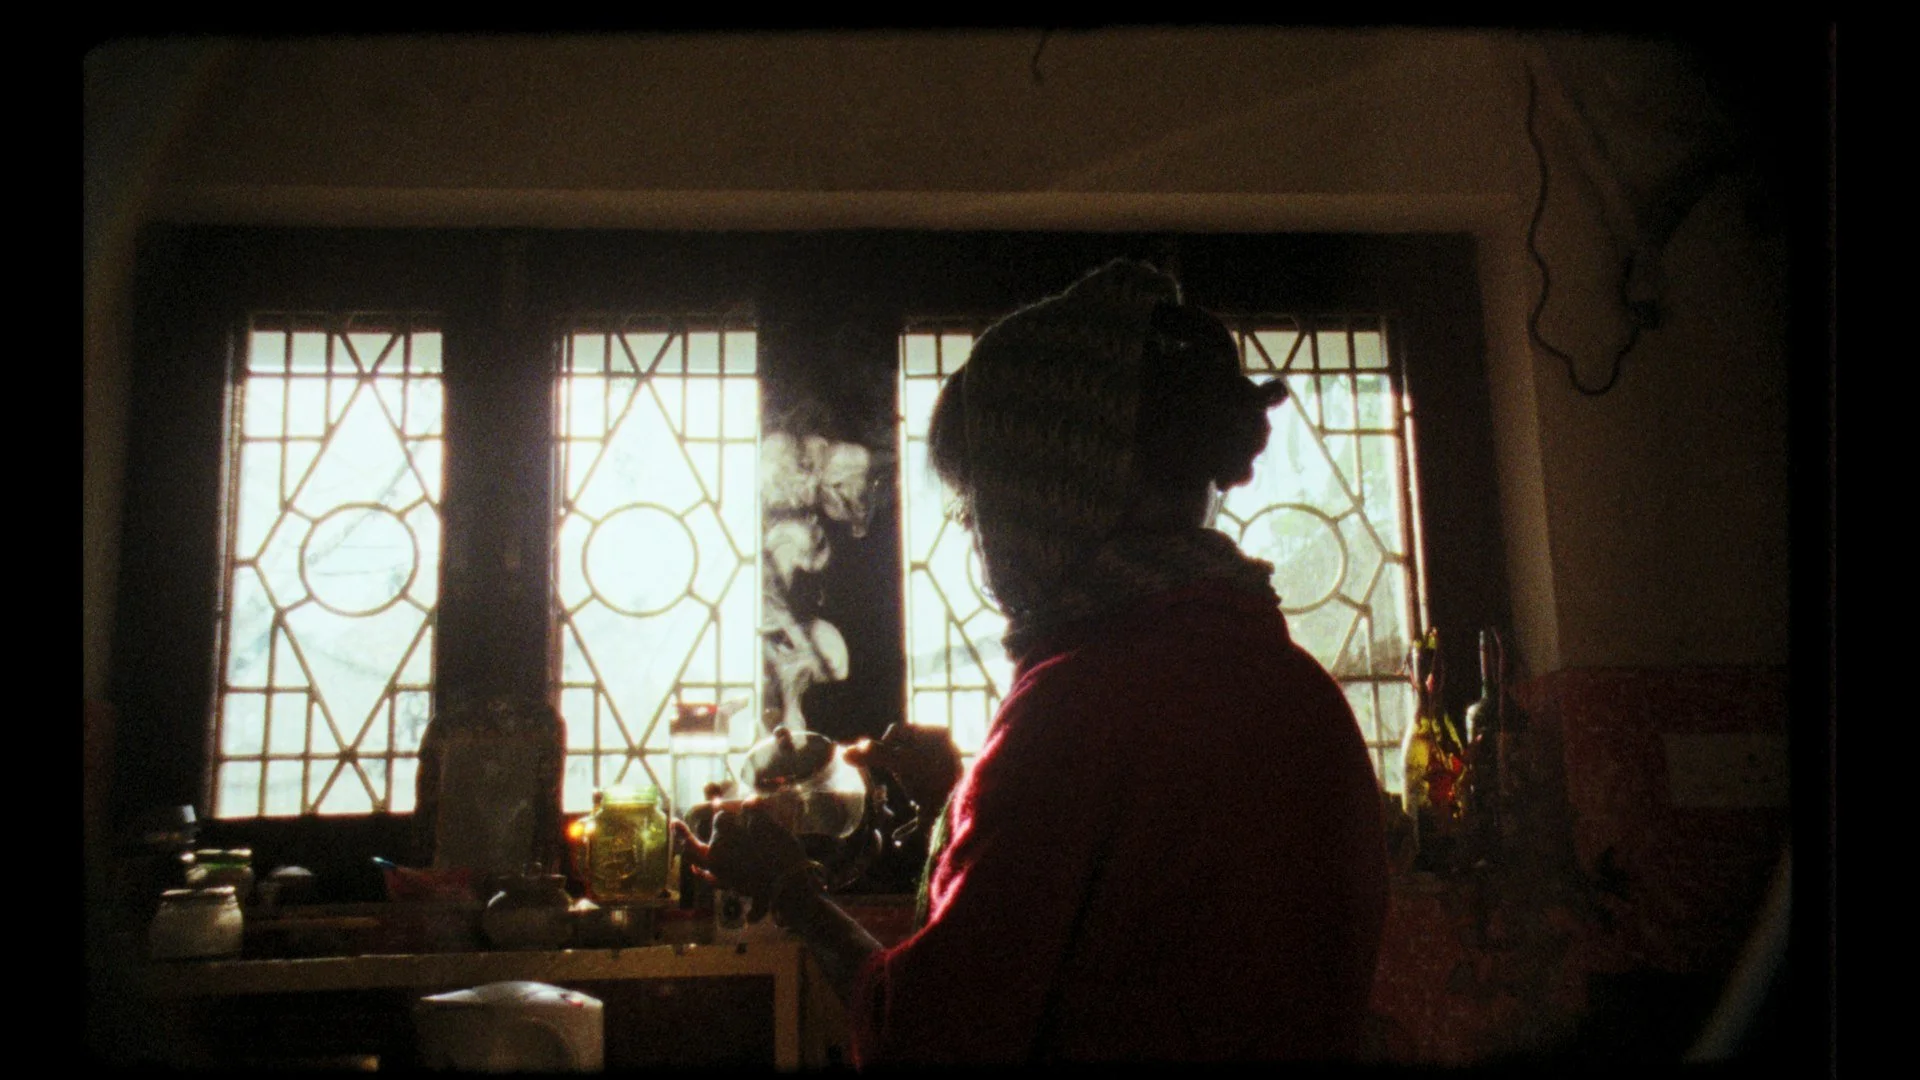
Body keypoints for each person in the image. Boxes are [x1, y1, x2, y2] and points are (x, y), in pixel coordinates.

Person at [679, 259, 1389, 1065]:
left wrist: (790, 892)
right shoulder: (1292, 685)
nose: (978, 539)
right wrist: (963, 802)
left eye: (973, 505)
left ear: (1045, 497)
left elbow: (929, 1039)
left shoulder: (1074, 706)